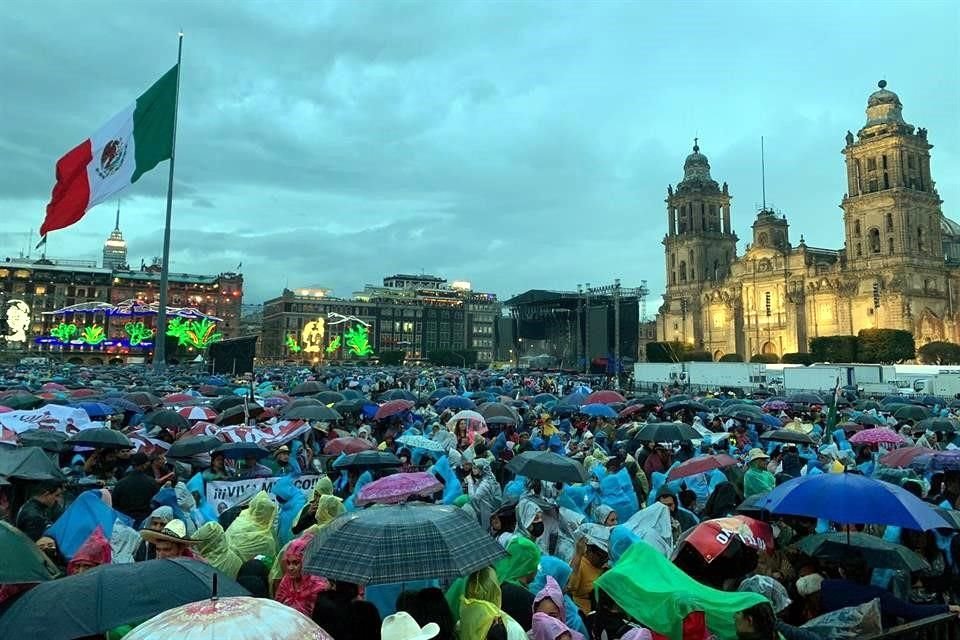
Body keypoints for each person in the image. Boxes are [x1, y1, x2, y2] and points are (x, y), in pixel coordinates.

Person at [274, 534, 330, 615]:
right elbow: (277, 605)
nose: (290, 568)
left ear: (306, 562)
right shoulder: (287, 580)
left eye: (295, 563)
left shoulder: (317, 585)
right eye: (288, 563)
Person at [112, 452, 159, 526]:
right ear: (144, 465)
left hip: (124, 520)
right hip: (145, 521)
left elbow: (114, 503)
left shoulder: (121, 483)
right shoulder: (152, 482)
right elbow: (156, 501)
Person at [567, 533, 608, 614]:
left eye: (607, 557)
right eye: (601, 556)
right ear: (589, 551)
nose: (604, 560)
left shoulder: (605, 567)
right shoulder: (580, 564)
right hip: (584, 612)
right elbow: (570, 586)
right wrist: (578, 554)